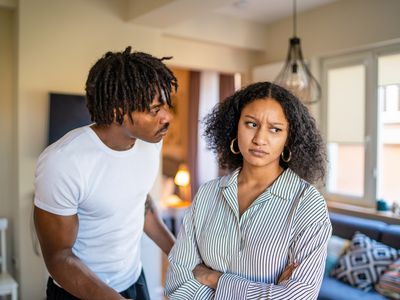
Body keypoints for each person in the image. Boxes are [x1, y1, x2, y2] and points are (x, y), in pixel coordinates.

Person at [165, 81, 332, 299]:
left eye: (275, 129)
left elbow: (297, 297)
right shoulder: (207, 194)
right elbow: (176, 284)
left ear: (288, 140)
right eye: (251, 124)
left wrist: (213, 279)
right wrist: (267, 291)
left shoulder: (307, 204)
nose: (260, 139)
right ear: (235, 126)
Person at [34, 46, 177, 300]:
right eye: (155, 109)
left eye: (166, 104)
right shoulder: (63, 161)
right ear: (117, 111)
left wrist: (180, 255)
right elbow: (59, 256)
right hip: (78, 290)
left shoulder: (151, 142)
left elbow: (140, 203)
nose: (167, 117)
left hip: (134, 280)